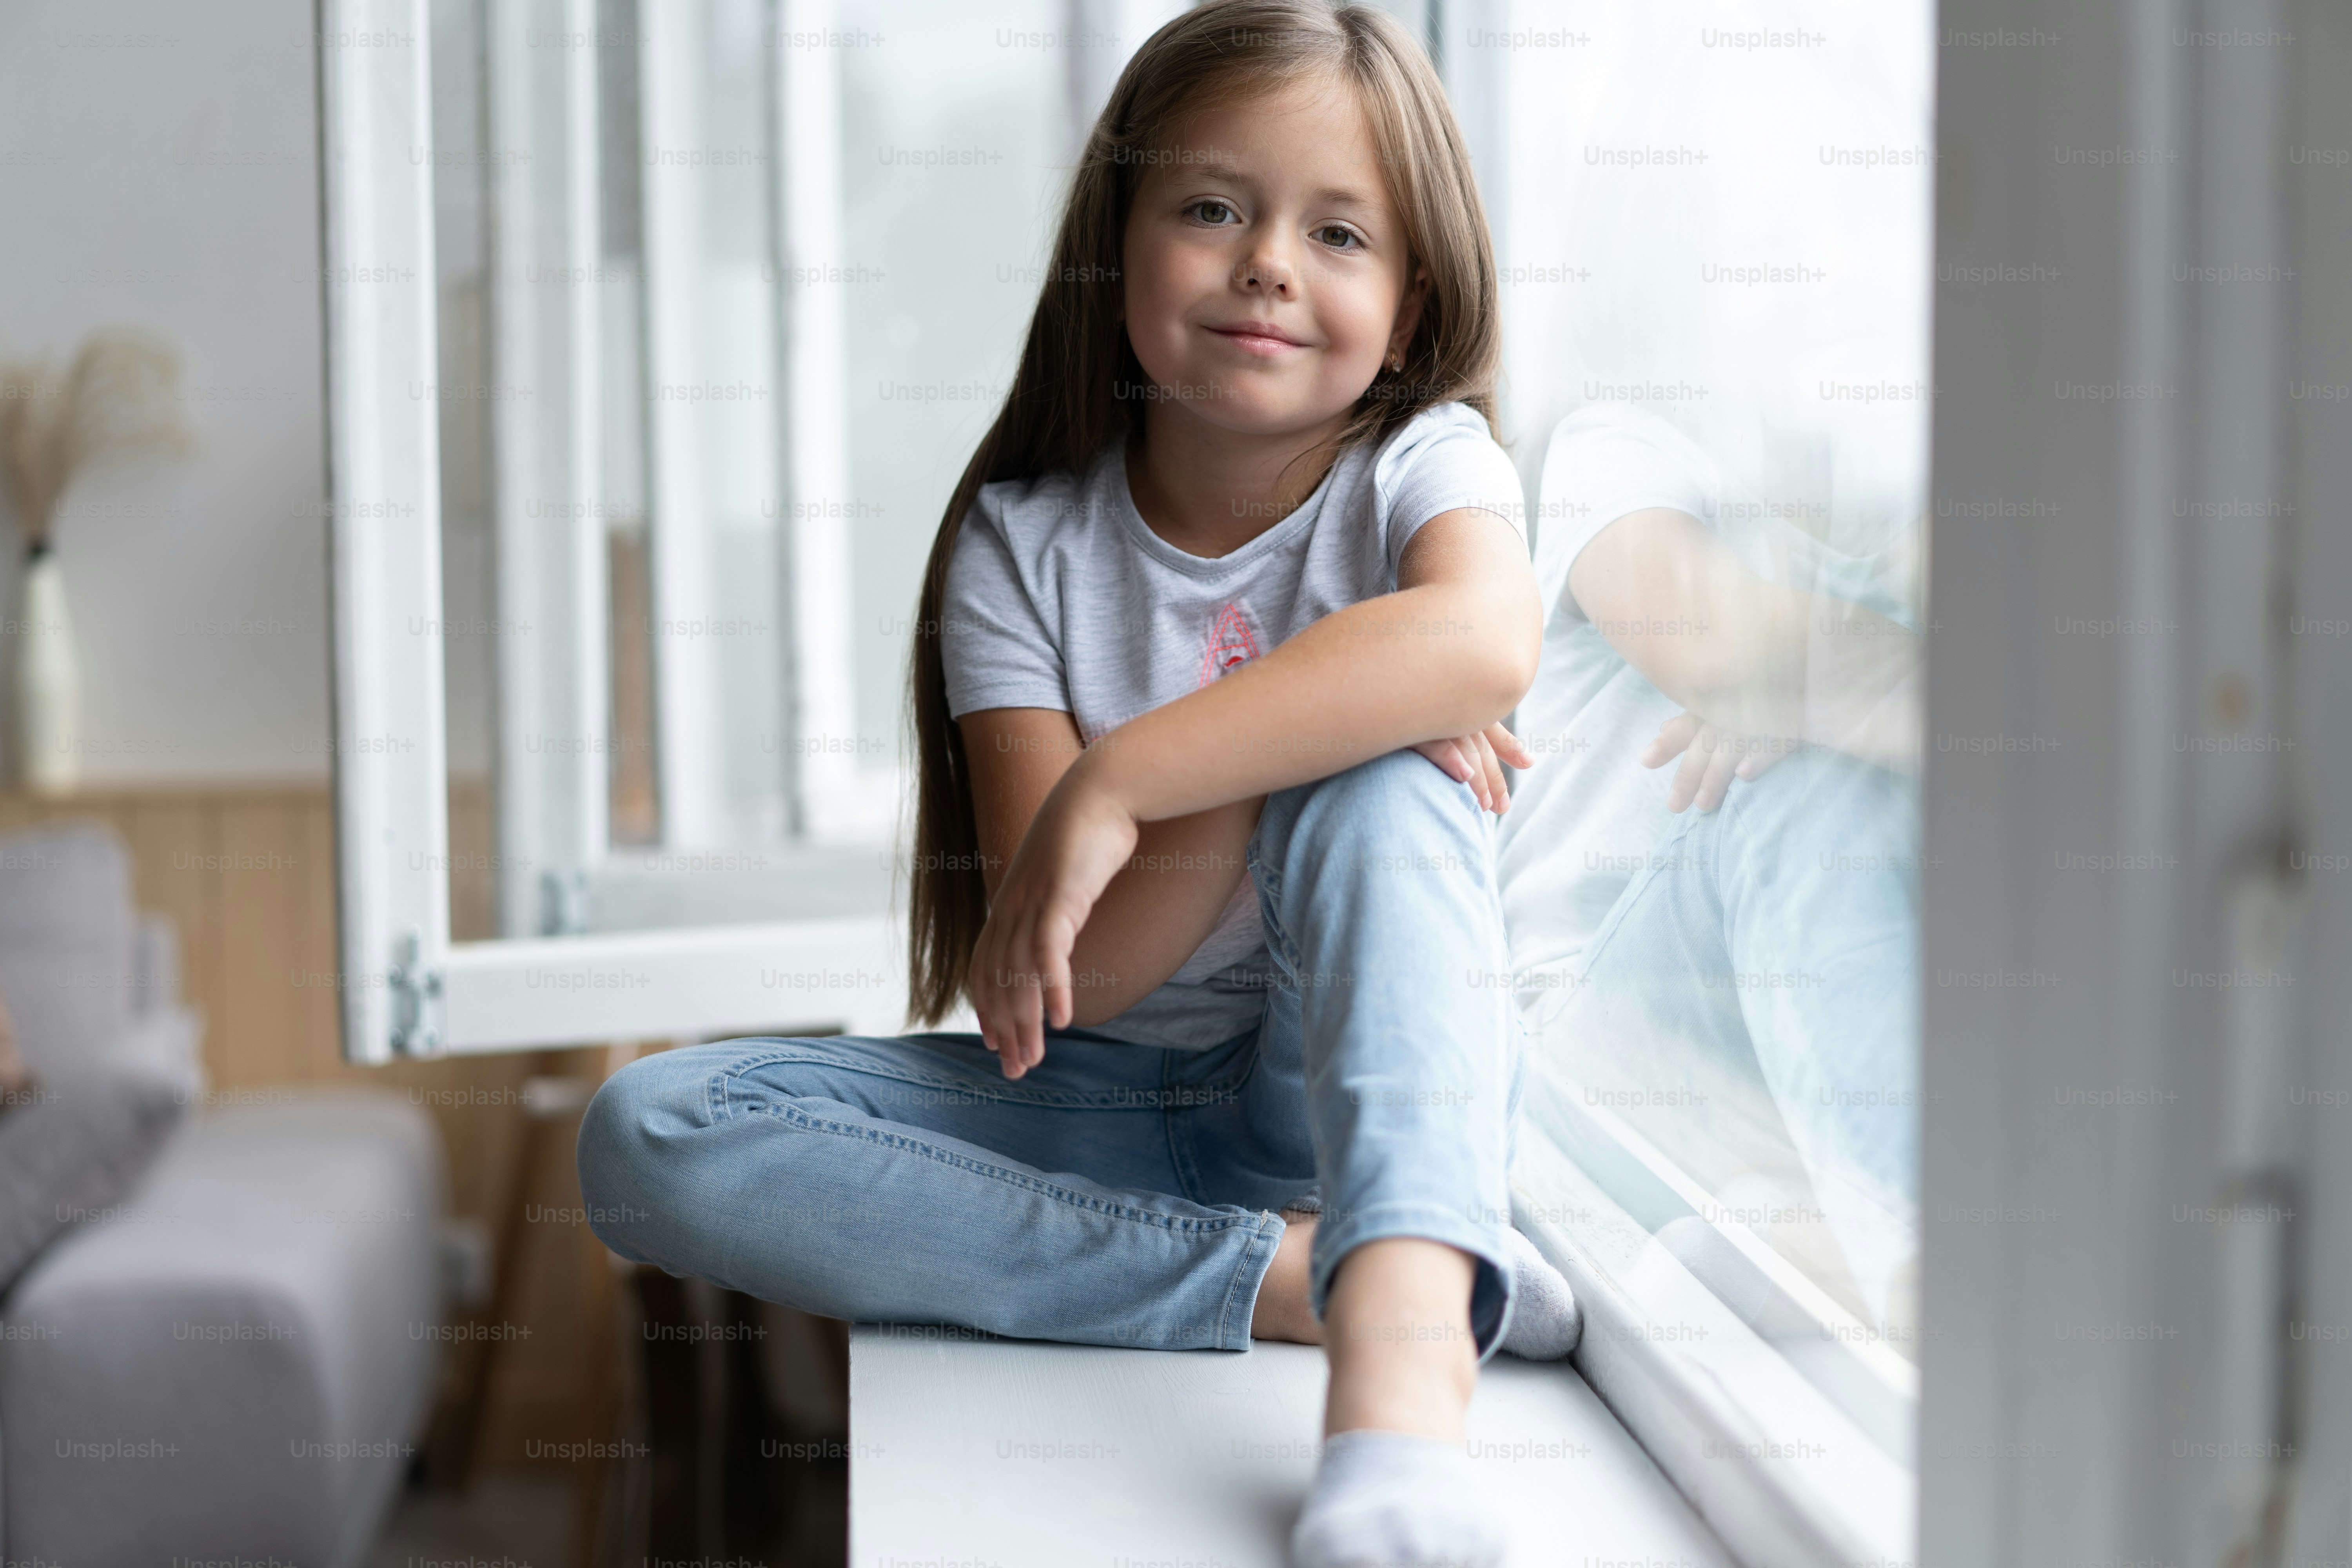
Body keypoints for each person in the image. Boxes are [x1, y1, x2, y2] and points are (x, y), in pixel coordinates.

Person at [577, 4, 1577, 1563]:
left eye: (1336, 231)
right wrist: (1285, 728)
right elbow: (1087, 971)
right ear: (1117, 246)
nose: (1265, 262)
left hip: (1322, 1096)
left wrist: (1138, 775)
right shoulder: (1022, 546)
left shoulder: (1422, 469)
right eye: (1210, 208)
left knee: (1383, 794)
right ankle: (1297, 1277)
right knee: (652, 1131)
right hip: (1096, 1103)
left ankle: (1401, 1359)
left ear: (1410, 296)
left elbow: (1487, 640)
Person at [1497, 404, 1925, 1330]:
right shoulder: (1619, 445)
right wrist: (1805, 684)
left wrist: (1814, 676)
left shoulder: (1912, 544)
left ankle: (1787, 1250)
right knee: (1803, 776)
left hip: (1767, 1068)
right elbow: (1721, 646)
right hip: (1593, 1044)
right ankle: (1926, 1276)